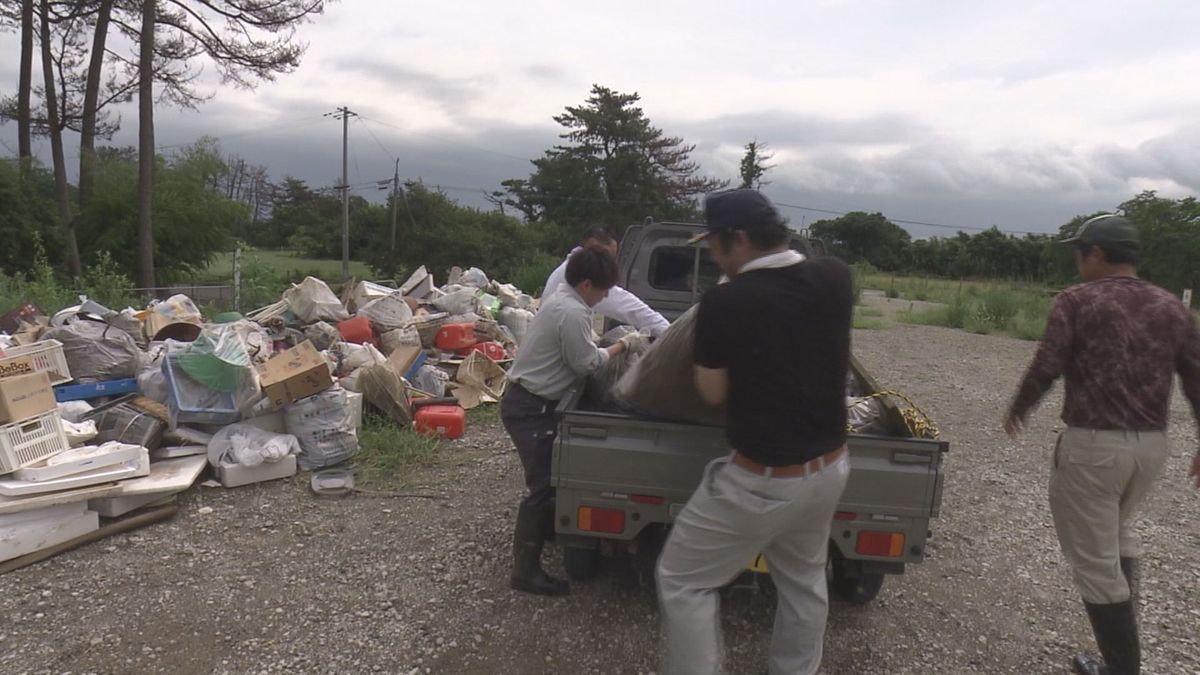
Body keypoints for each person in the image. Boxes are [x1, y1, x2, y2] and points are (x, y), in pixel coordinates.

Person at [655, 189, 854, 675]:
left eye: (716, 246)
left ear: (738, 239)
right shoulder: (836, 277)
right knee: (804, 583)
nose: (714, 256)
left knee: (683, 580)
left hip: (762, 481)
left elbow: (712, 391)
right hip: (829, 468)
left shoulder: (725, 302)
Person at [1004, 214, 1200, 675]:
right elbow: (1195, 374)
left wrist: (1020, 406)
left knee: (1095, 565)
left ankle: (1122, 670)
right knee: (1117, 534)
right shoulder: (1172, 306)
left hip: (1094, 447)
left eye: (1080, 250)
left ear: (1096, 253)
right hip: (1151, 448)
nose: (1077, 259)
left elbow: (1048, 362)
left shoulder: (1076, 301)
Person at [503, 245, 650, 596]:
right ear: (587, 285)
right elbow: (587, 364)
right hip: (531, 406)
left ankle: (545, 533)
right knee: (541, 487)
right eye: (602, 291)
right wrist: (624, 346)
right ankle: (525, 572)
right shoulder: (572, 311)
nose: (602, 299)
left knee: (546, 481)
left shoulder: (560, 301)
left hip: (529, 400)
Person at [543, 227, 671, 337]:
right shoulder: (582, 277)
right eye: (606, 256)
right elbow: (628, 307)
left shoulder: (569, 269)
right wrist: (670, 333)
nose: (609, 262)